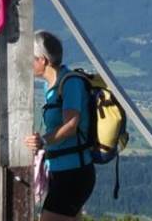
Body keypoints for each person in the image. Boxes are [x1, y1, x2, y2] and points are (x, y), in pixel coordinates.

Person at [23, 30, 96, 219]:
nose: (27, 62)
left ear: (43, 60)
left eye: (30, 57)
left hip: (73, 173)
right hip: (63, 171)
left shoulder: (70, 83)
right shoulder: (51, 85)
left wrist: (43, 142)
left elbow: (71, 125)